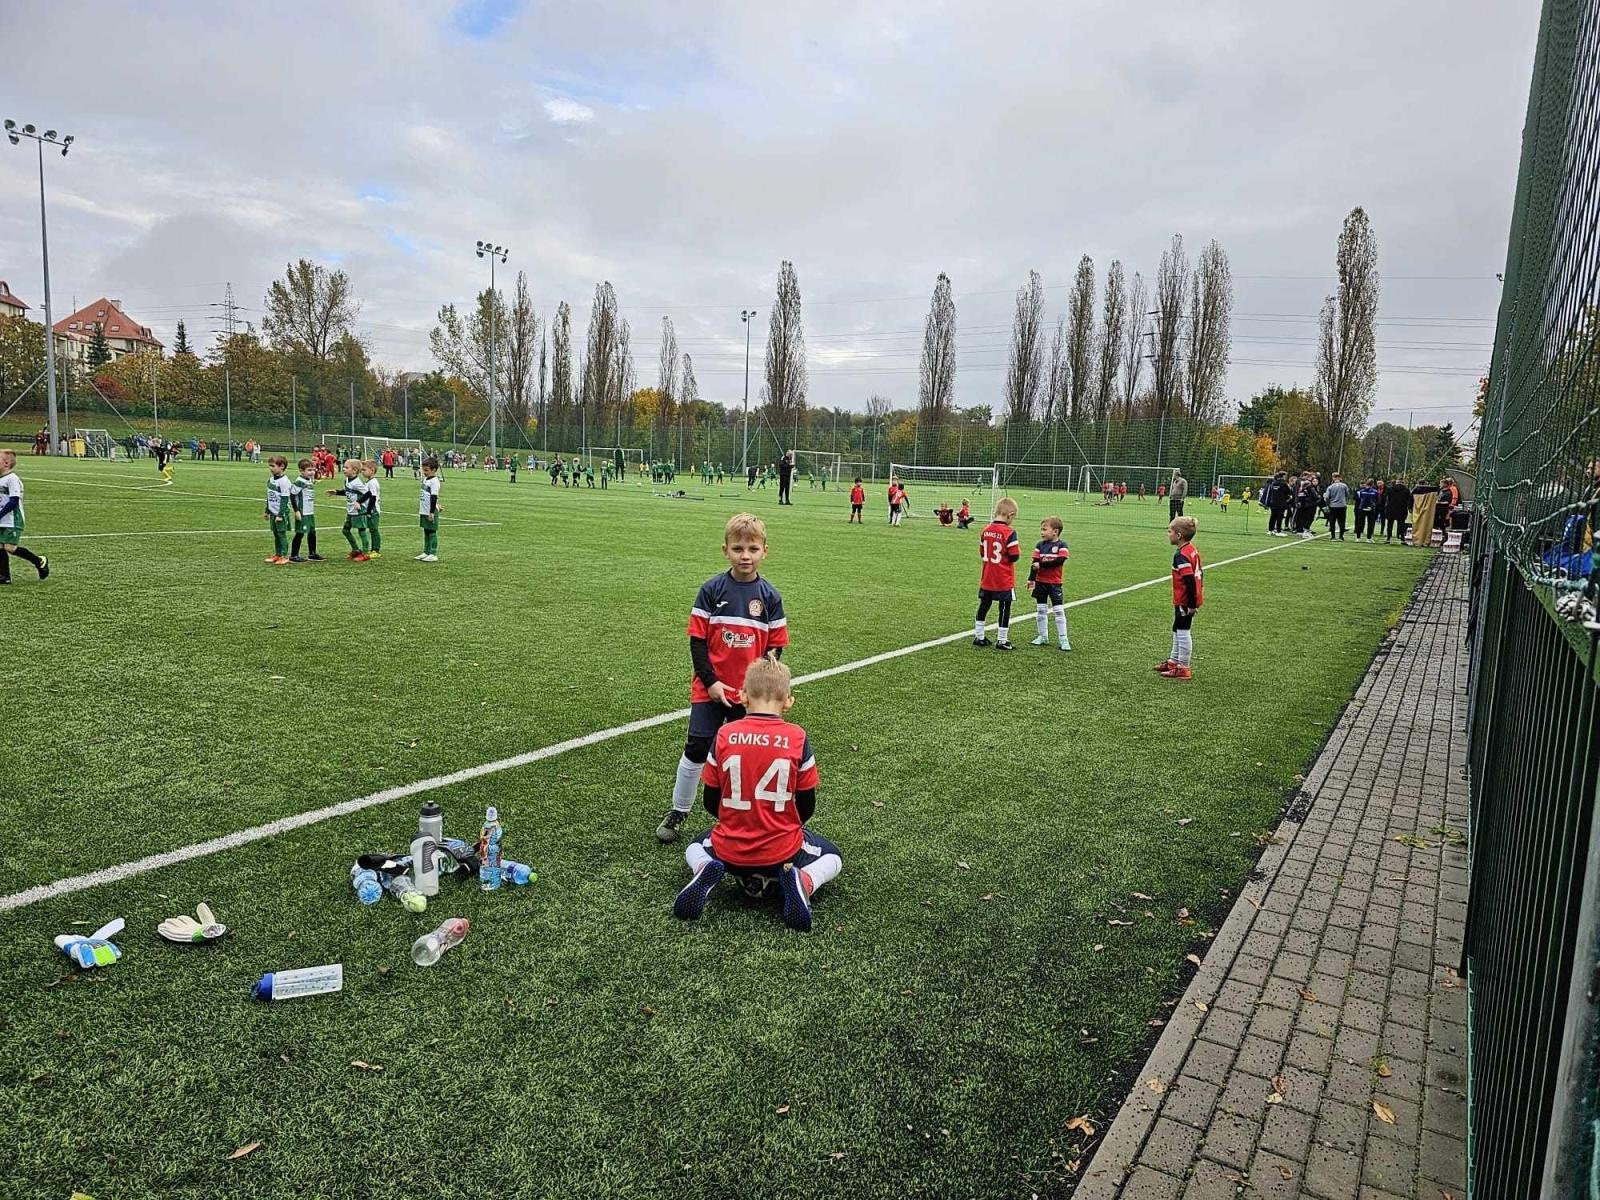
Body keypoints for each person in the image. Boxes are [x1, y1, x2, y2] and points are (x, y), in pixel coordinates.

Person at [671, 657, 840, 933]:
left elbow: (710, 801)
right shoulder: (797, 737)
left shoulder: (725, 734)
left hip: (729, 849)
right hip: (780, 851)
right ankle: (803, 881)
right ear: (788, 702)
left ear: (743, 697)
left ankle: (705, 868)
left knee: (695, 845)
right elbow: (807, 804)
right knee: (833, 856)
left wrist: (737, 823)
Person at [657, 512, 788, 844]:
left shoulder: (770, 597)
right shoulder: (711, 591)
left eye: (753, 549)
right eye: (738, 548)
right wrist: (711, 681)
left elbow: (775, 647)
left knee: (744, 754)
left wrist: (758, 687)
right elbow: (697, 641)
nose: (745, 555)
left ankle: (741, 816)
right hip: (710, 688)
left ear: (764, 551)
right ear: (725, 550)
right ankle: (679, 811)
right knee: (698, 747)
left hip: (749, 695)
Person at [1157, 516, 1203, 680]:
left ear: (1179, 535)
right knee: (1177, 628)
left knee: (1183, 631)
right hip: (1187, 598)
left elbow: (1190, 580)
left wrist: (1191, 603)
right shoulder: (1191, 549)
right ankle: (1174, 661)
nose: (1168, 534)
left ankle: (1183, 667)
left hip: (1186, 599)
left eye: (1170, 531)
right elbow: (1200, 574)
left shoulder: (1181, 555)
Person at [974, 497, 1021, 651]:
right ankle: (1002, 640)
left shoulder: (985, 530)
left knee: (984, 604)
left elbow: (982, 552)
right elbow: (1014, 556)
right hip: (1003, 578)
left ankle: (979, 636)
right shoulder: (1009, 532)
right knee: (1004, 607)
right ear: (1010, 515)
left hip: (987, 576)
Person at [0, 450, 48, 585]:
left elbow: (13, 501)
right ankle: (4, 576)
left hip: (12, 519)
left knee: (9, 548)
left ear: (6, 463)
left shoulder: (12, 479)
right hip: (2, 519)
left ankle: (39, 561)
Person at [1028, 515, 1071, 651]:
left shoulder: (1062, 545)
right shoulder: (1039, 546)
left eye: (1044, 529)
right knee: (1041, 609)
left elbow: (1059, 561)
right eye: (1041, 529)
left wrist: (1041, 564)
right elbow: (1034, 564)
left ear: (1055, 531)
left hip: (1054, 583)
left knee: (1058, 610)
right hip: (1041, 582)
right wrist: (1031, 579)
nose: (1042, 532)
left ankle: (1063, 639)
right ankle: (1042, 636)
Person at [330, 458, 370, 561]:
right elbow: (348, 492)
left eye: (346, 467)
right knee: (345, 530)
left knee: (361, 531)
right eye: (344, 467)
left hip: (359, 510)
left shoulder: (357, 482)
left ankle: (365, 553)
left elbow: (368, 493)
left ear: (354, 470)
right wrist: (337, 492)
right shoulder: (347, 480)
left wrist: (359, 502)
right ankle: (356, 550)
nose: (343, 469)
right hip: (351, 510)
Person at [289, 458, 322, 562]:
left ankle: (312, 553)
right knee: (300, 533)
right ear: (301, 471)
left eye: (313, 470)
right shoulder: (299, 482)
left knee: (312, 532)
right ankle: (294, 555)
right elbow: (292, 495)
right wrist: (296, 510)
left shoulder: (308, 480)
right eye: (309, 470)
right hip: (302, 511)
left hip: (310, 511)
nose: (312, 472)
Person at [264, 455, 294, 565]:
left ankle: (285, 555)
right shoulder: (271, 480)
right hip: (273, 512)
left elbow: (285, 499)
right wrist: (267, 511)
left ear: (282, 466)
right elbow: (269, 496)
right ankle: (277, 554)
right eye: (269, 466)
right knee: (275, 534)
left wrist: (280, 514)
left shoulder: (284, 482)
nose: (270, 468)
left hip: (281, 513)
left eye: (273, 466)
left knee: (281, 534)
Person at [417, 457, 442, 562]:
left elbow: (434, 496)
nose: (424, 472)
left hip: (430, 511)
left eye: (427, 470)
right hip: (424, 509)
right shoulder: (425, 479)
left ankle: (433, 552)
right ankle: (426, 551)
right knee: (426, 530)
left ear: (434, 470)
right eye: (424, 470)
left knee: (432, 531)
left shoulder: (435, 482)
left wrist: (432, 511)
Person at [362, 460, 383, 559]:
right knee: (371, 529)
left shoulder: (373, 483)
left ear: (372, 470)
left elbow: (373, 497)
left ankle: (376, 550)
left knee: (374, 530)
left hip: (373, 510)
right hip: (370, 509)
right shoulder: (369, 482)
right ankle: (372, 549)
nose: (362, 472)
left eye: (364, 470)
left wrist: (369, 510)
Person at [1383, 478, 1413, 543]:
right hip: (1402, 509)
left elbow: (1387, 499)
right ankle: (1402, 539)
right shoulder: (1406, 490)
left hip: (1391, 509)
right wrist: (1410, 508)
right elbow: (1410, 500)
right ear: (1403, 482)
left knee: (1390, 524)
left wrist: (1386, 508)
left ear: (1396, 482)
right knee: (1401, 524)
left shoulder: (1391, 489)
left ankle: (1388, 538)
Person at [1323, 473, 1350, 541]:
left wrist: (1327, 504)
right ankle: (1341, 536)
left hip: (1333, 506)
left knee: (1332, 522)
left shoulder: (1330, 487)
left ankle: (1333, 537)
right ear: (1340, 478)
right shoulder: (1344, 486)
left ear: (1333, 478)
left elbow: (1327, 497)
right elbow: (1347, 494)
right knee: (1342, 522)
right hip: (1342, 506)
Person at [1293, 473, 1321, 539]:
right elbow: (1314, 497)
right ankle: (1304, 531)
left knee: (1305, 518)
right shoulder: (1309, 489)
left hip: (1308, 505)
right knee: (1307, 518)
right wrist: (1318, 497)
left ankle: (1304, 531)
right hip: (1309, 506)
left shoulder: (1306, 489)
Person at [1354, 478, 1380, 542]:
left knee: (1360, 523)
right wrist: (1372, 506)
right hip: (1371, 509)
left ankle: (1358, 537)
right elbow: (1377, 501)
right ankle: (1369, 538)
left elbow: (1359, 499)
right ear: (1373, 484)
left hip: (1362, 508)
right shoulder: (1375, 491)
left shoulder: (1361, 491)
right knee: (1370, 524)